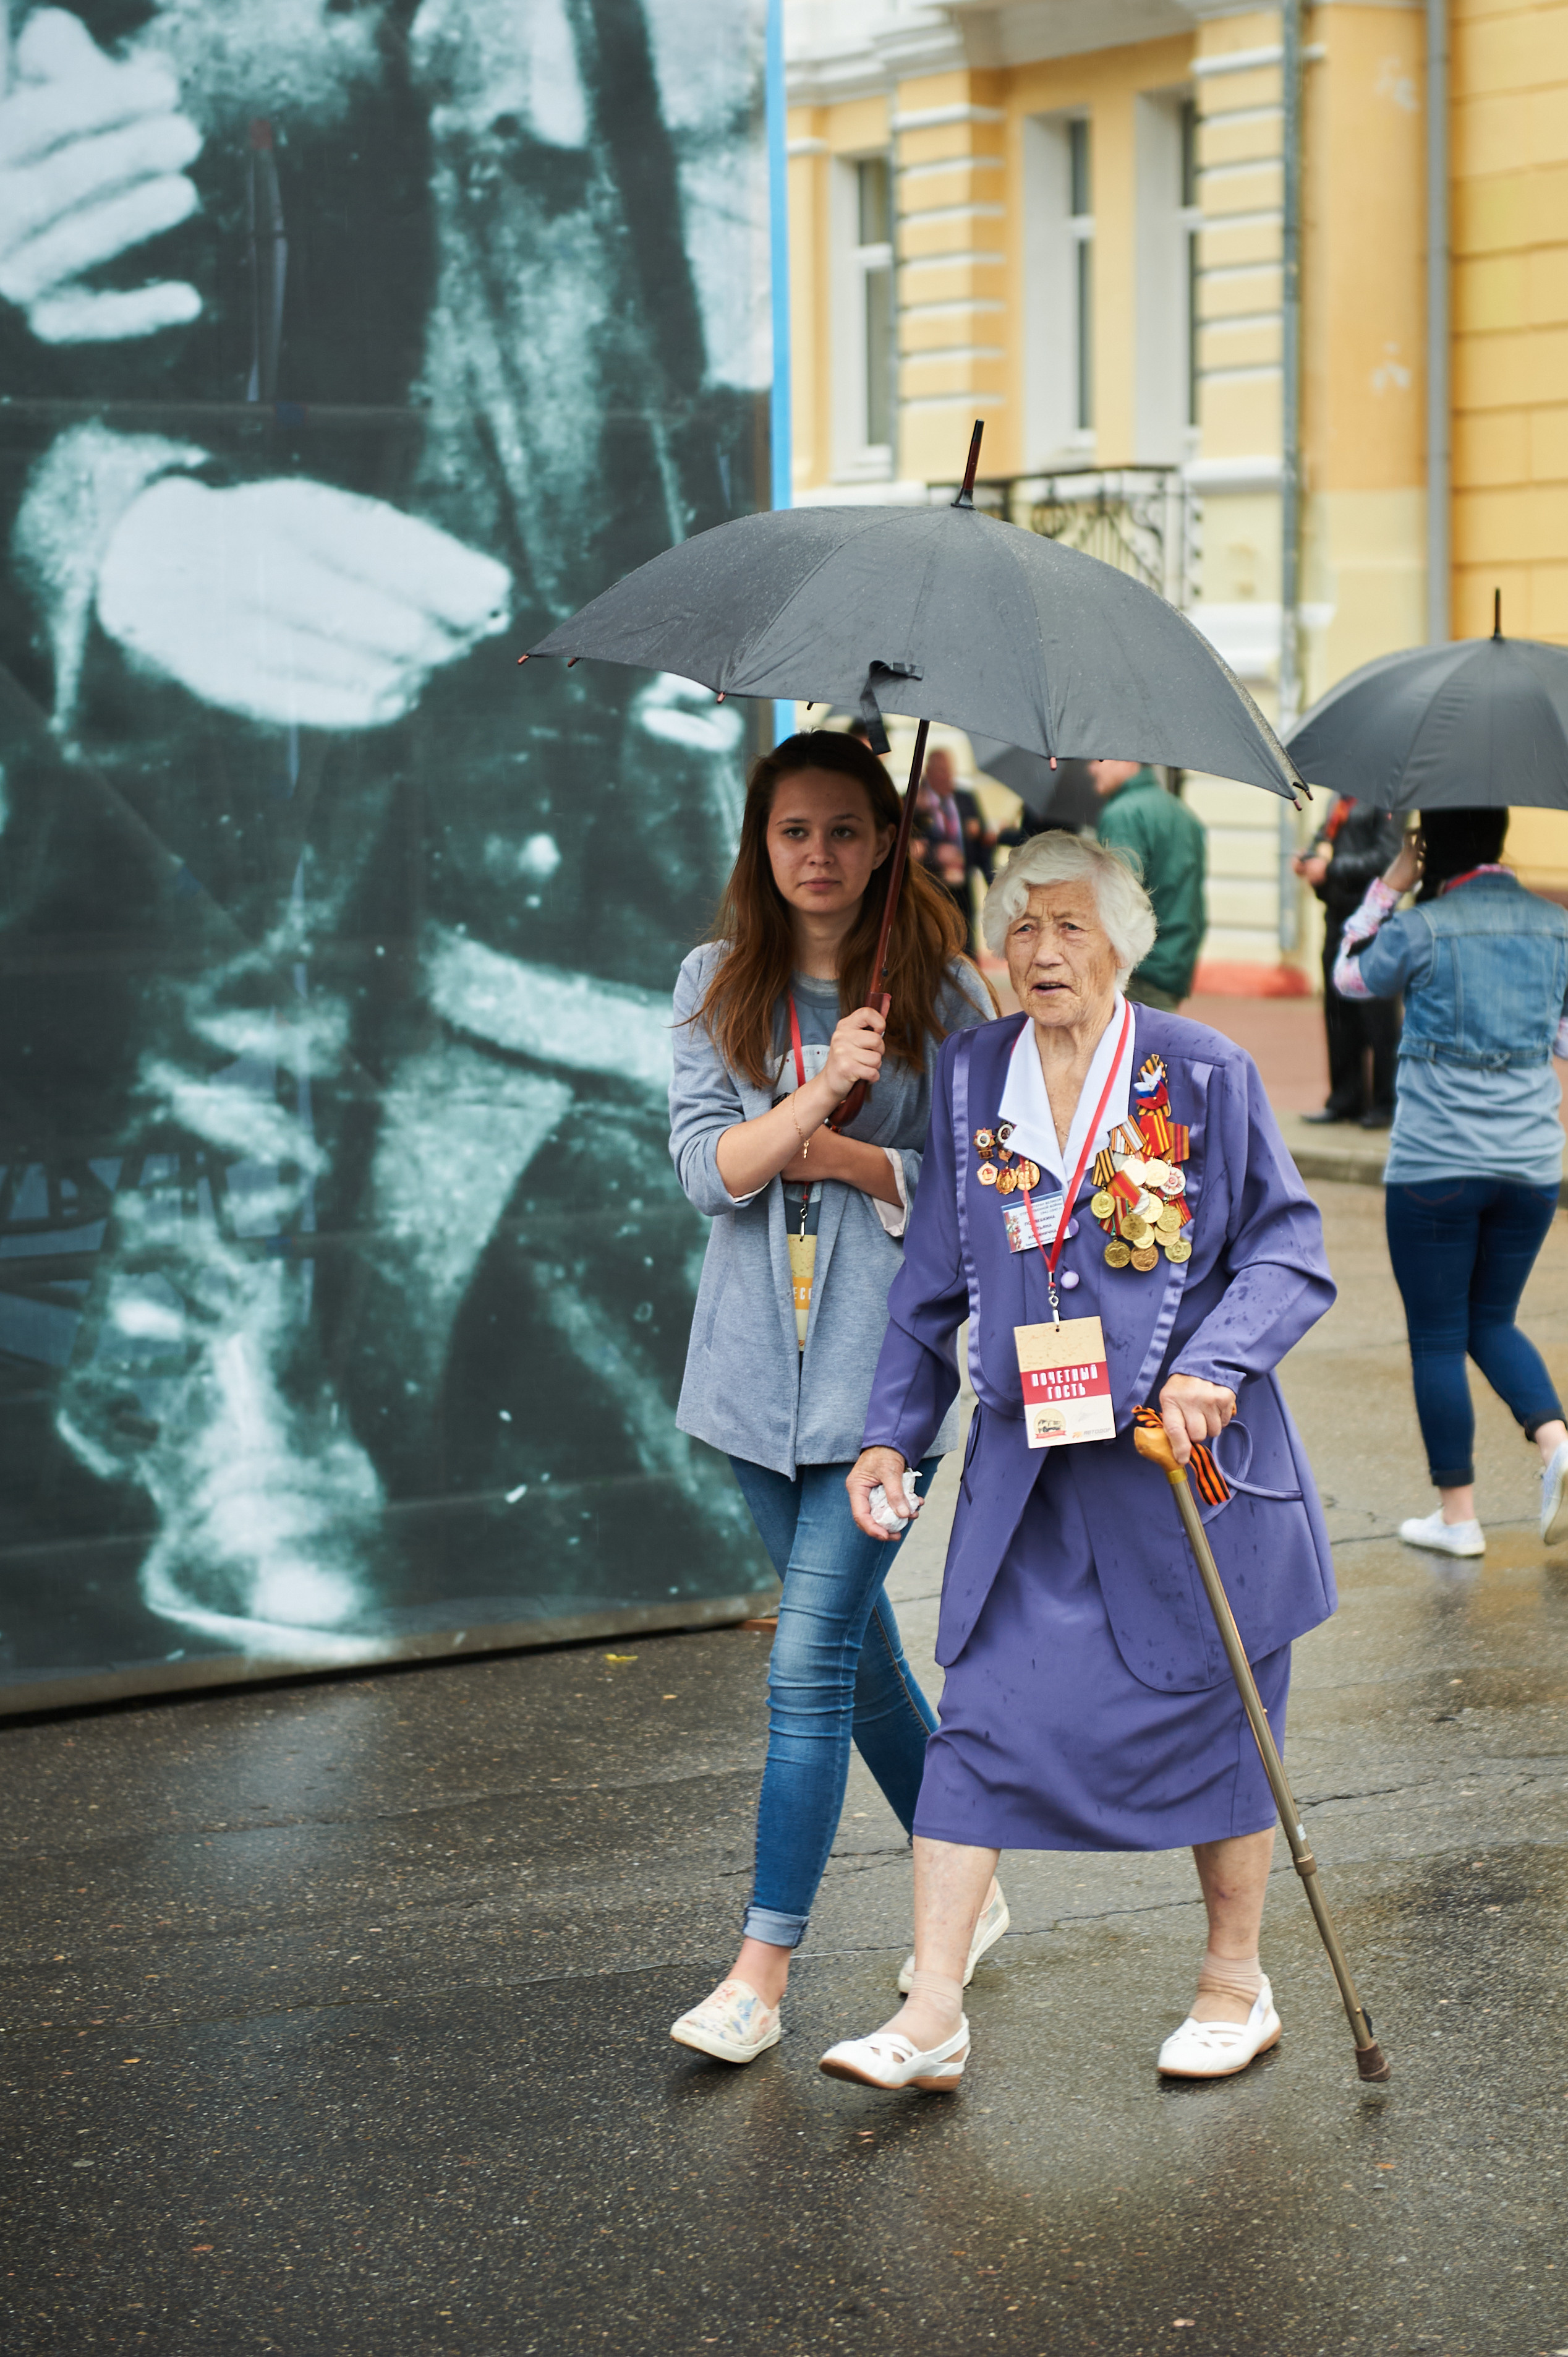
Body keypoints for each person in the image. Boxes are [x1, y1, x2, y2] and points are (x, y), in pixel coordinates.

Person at [816, 830, 1337, 2094]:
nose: (1040, 952)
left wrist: (1213, 1367)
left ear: (1121, 943)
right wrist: (889, 1427)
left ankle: (1233, 1982)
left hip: (1175, 1466)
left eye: (1067, 927)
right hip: (1029, 1470)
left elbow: (1287, 1251)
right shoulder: (969, 1071)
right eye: (1020, 927)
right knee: (980, 1719)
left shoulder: (1199, 1072)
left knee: (1218, 1714)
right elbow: (932, 1279)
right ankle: (931, 2006)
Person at [666, 730, 997, 2065]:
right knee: (859, 1664)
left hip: (884, 1393)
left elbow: (978, 1196)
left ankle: (760, 1973)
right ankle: (958, 1888)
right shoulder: (713, 983)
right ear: (762, 843)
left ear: (885, 841)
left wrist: (866, 1153)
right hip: (750, 1387)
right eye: (793, 832)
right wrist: (812, 1091)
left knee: (805, 1665)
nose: (817, 857)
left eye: (845, 832)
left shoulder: (948, 993)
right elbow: (710, 1173)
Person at [1332, 808, 1568, 1559]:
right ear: (1497, 839)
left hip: (1436, 1164)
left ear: (1430, 845)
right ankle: (1556, 1442)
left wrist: (1388, 888)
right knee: (1489, 1320)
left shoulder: (1424, 925)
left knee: (1438, 1335)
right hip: (1531, 1165)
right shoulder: (1555, 925)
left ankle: (1458, 1518)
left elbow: (1350, 976)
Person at [1293, 797, 1404, 1129]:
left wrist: (1331, 868)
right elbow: (1323, 839)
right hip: (1338, 915)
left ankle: (1385, 1103)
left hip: (1372, 922)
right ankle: (1345, 1099)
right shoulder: (1340, 799)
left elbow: (1387, 859)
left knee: (1379, 1017)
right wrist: (1309, 859)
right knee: (1338, 1014)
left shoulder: (1387, 799)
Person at [1091, 760, 1206, 1009]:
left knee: (1126, 1046)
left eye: (1099, 759)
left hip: (1136, 968)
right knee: (1157, 1045)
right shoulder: (1184, 814)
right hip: (1174, 963)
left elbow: (1116, 897)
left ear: (1128, 761)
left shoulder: (1123, 813)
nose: (1093, 769)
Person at [911, 746, 995, 949]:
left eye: (950, 770)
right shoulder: (914, 802)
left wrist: (993, 884)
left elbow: (981, 847)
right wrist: (935, 854)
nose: (947, 776)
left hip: (962, 888)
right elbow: (908, 848)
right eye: (941, 771)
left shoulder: (966, 799)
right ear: (928, 772)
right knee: (933, 946)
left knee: (966, 946)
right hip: (931, 887)